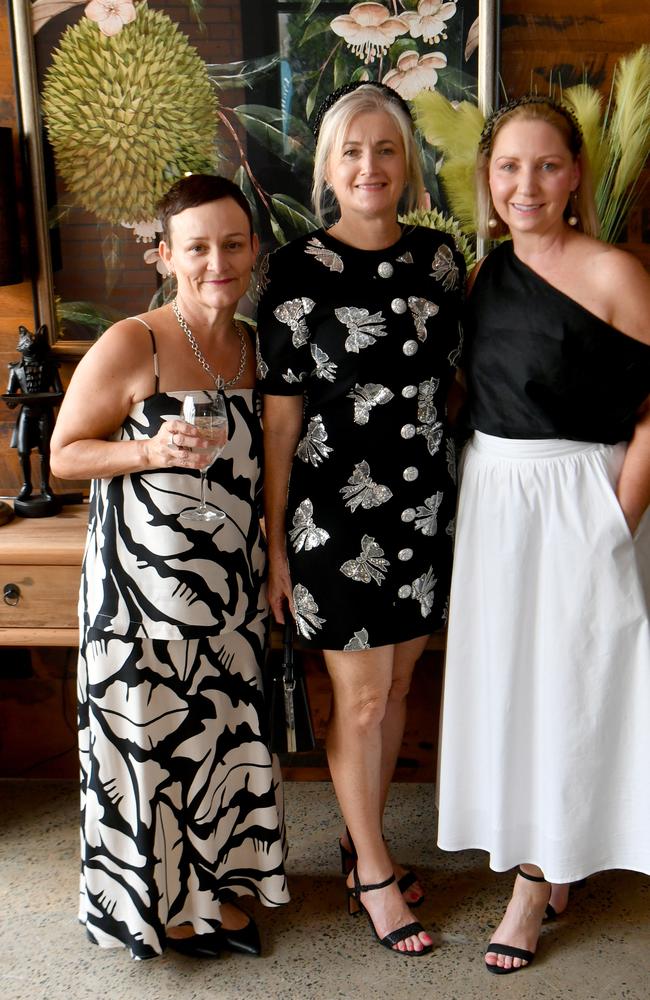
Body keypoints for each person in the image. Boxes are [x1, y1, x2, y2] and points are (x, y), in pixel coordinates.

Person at [436, 96, 650, 975]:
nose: (526, 184)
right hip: (497, 495)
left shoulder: (615, 272)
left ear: (575, 176)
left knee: (574, 683)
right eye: (509, 167)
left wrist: (615, 517)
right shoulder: (488, 274)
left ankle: (532, 885)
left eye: (546, 166)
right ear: (488, 180)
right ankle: (546, 851)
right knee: (514, 684)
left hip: (582, 496)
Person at [50, 174, 289, 960]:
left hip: (228, 593)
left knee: (217, 749)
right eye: (197, 247)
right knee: (148, 755)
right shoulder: (136, 341)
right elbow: (63, 455)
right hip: (138, 597)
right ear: (165, 254)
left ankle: (214, 898)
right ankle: (160, 911)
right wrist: (150, 451)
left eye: (231, 243)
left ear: (253, 248)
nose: (216, 261)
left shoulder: (256, 347)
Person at [257, 82, 465, 956]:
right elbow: (279, 418)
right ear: (328, 170)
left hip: (423, 504)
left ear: (406, 163)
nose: (369, 166)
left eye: (385, 150)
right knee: (364, 696)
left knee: (402, 689)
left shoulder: (440, 262)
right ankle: (375, 873)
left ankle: (359, 839)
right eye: (352, 151)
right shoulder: (294, 268)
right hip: (329, 514)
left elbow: (454, 386)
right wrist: (275, 544)